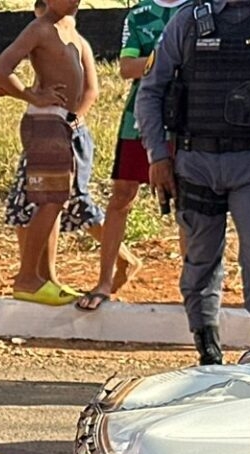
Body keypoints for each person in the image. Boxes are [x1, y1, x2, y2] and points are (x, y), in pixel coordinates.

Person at [136, 0, 250, 364]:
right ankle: (206, 347)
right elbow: (151, 91)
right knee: (200, 259)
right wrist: (158, 156)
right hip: (196, 163)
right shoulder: (189, 20)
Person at [0, 0, 111, 306]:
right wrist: (31, 95)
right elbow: (2, 68)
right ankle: (27, 277)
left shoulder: (73, 33)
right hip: (44, 122)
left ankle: (41, 278)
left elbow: (91, 89)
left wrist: (74, 118)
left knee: (55, 200)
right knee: (50, 199)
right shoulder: (40, 29)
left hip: (63, 124)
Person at [76, 0, 184, 311]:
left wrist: (152, 63)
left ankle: (191, 287)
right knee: (121, 195)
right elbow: (126, 67)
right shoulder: (139, 14)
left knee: (187, 203)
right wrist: (172, 60)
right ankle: (105, 280)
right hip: (138, 121)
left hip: (186, 120)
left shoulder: (199, 9)